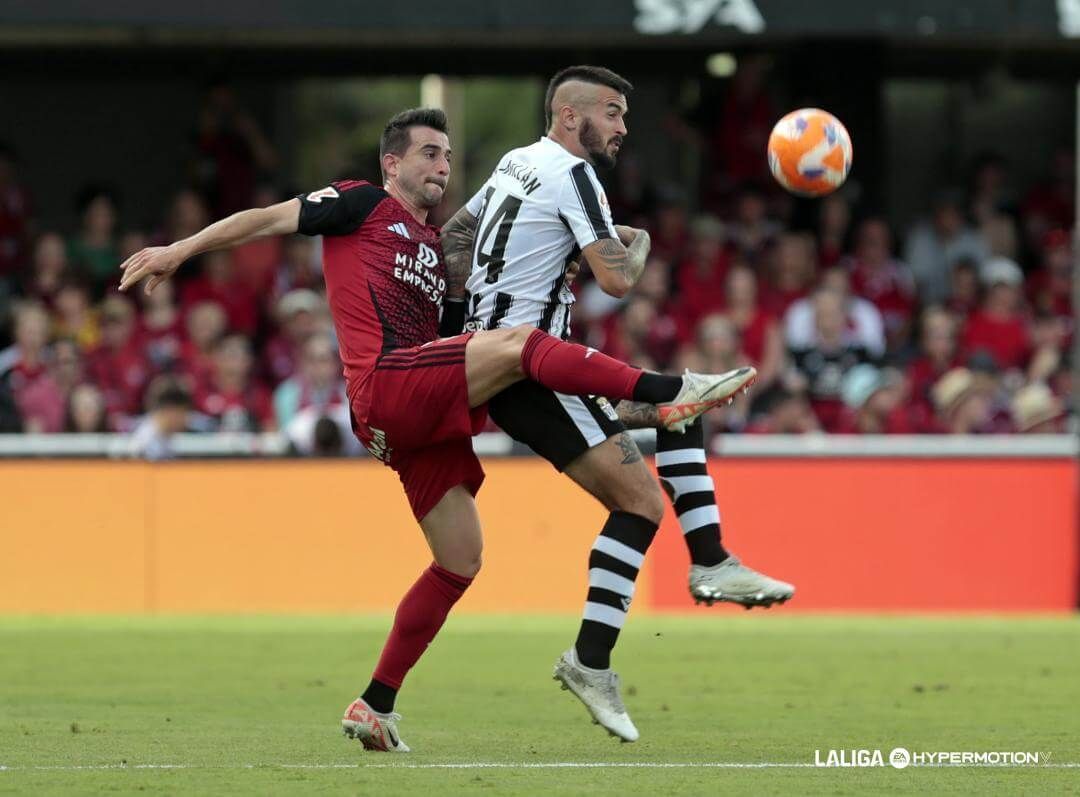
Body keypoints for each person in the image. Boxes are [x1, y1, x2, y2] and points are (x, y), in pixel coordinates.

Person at [118, 107, 752, 753]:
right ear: (391, 163)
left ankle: (376, 703)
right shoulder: (360, 203)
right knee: (515, 344)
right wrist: (181, 248)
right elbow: (268, 218)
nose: (441, 168)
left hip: (419, 412)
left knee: (461, 557)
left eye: (446, 157)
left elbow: (469, 328)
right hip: (387, 383)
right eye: (427, 154)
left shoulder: (436, 250)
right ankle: (670, 390)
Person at [439, 66, 791, 743]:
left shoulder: (516, 161)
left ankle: (713, 559)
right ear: (571, 117)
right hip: (528, 372)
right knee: (640, 503)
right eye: (611, 112)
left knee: (676, 417)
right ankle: (589, 660)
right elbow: (618, 279)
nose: (624, 127)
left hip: (510, 363)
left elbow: (457, 236)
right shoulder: (576, 177)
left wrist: (465, 322)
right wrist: (640, 242)